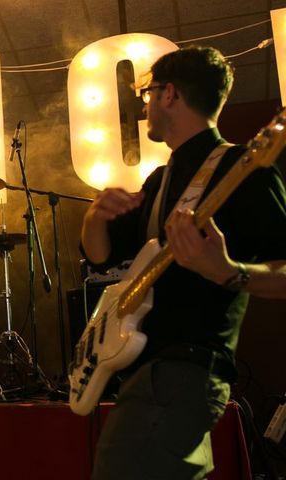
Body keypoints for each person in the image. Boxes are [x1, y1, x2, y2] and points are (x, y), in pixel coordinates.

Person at [81, 46, 286, 479]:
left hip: (184, 369)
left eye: (148, 94)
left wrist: (229, 272)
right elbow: (100, 257)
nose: (145, 104)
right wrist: (94, 216)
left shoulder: (243, 168)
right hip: (148, 371)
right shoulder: (160, 180)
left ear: (169, 94)